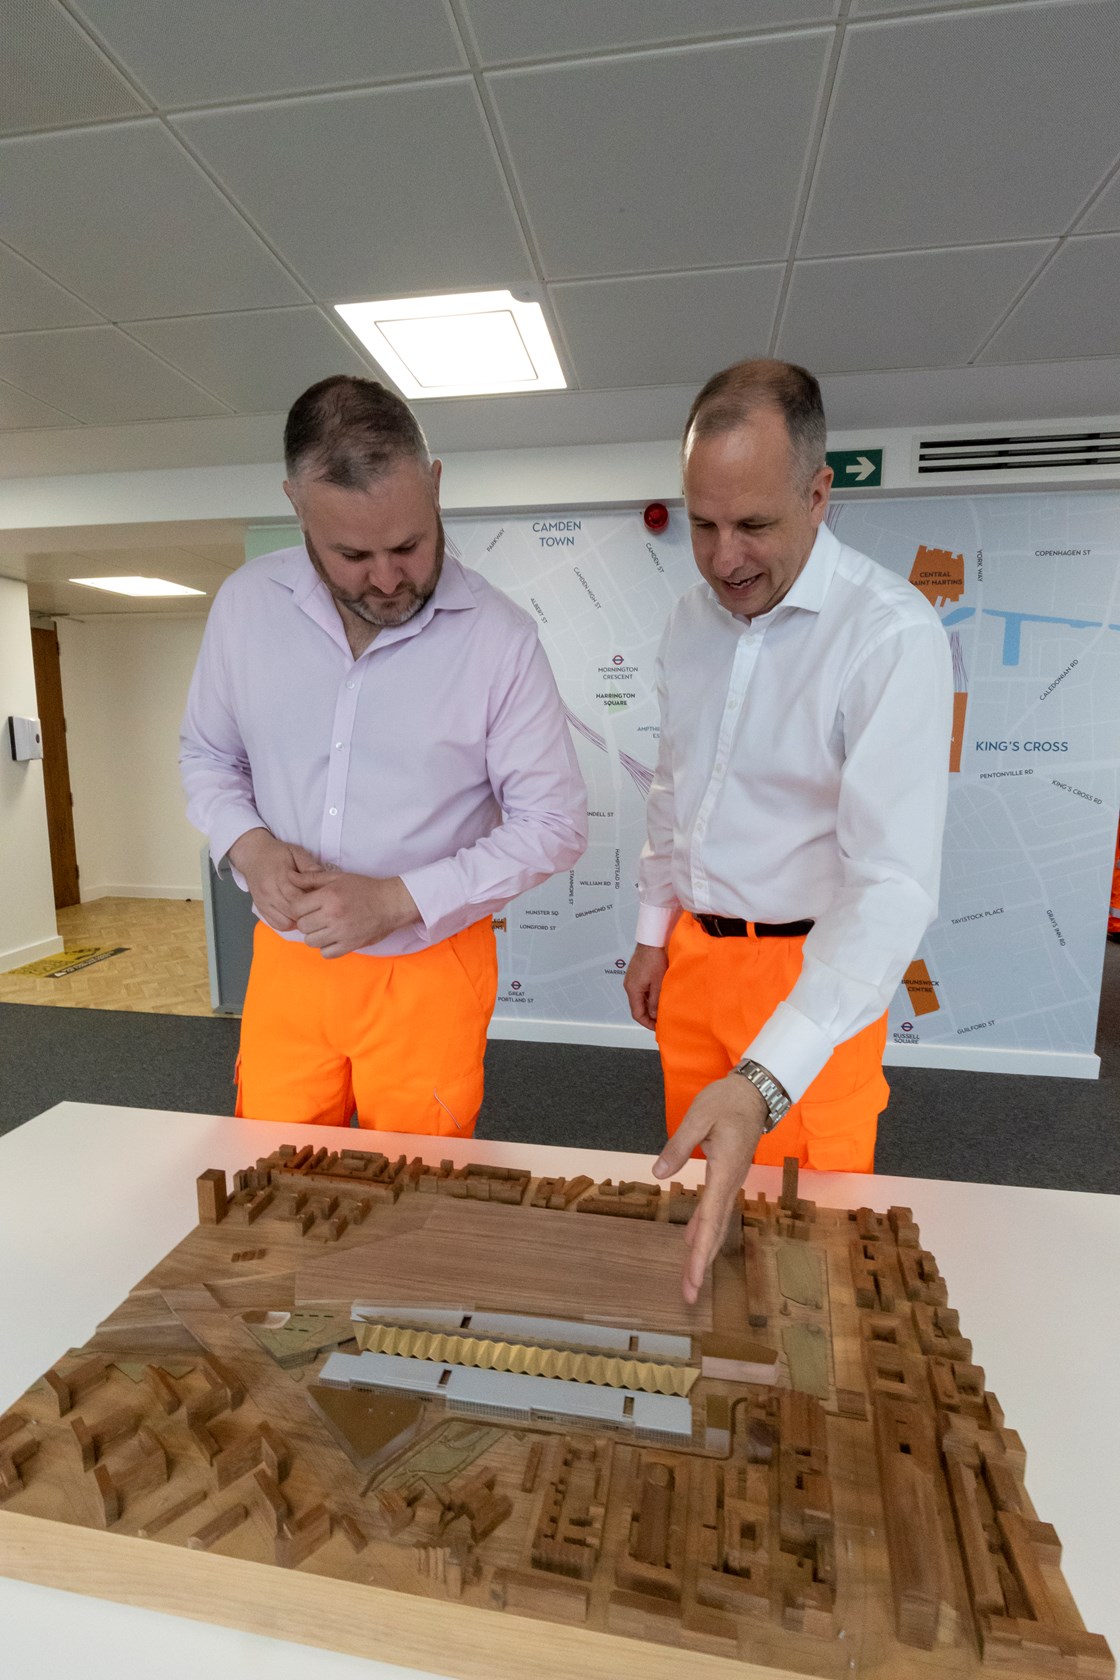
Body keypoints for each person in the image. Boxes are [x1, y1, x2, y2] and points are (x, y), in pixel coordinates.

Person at [625, 359, 952, 1302]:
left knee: (816, 1253)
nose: (725, 558)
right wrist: (655, 935)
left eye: (756, 525)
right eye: (703, 524)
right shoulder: (689, 623)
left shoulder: (891, 638)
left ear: (819, 496)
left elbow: (891, 887)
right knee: (702, 1211)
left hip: (815, 979)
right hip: (695, 961)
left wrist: (769, 1075)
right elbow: (673, 789)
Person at [181, 375, 586, 1135]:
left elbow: (555, 824)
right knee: (273, 1178)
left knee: (418, 1199)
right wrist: (251, 845)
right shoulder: (244, 606)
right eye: (353, 554)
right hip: (287, 962)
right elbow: (206, 755)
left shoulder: (499, 639)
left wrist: (399, 899)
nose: (389, 578)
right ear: (297, 507)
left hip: (429, 965)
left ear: (435, 487)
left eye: (409, 544)